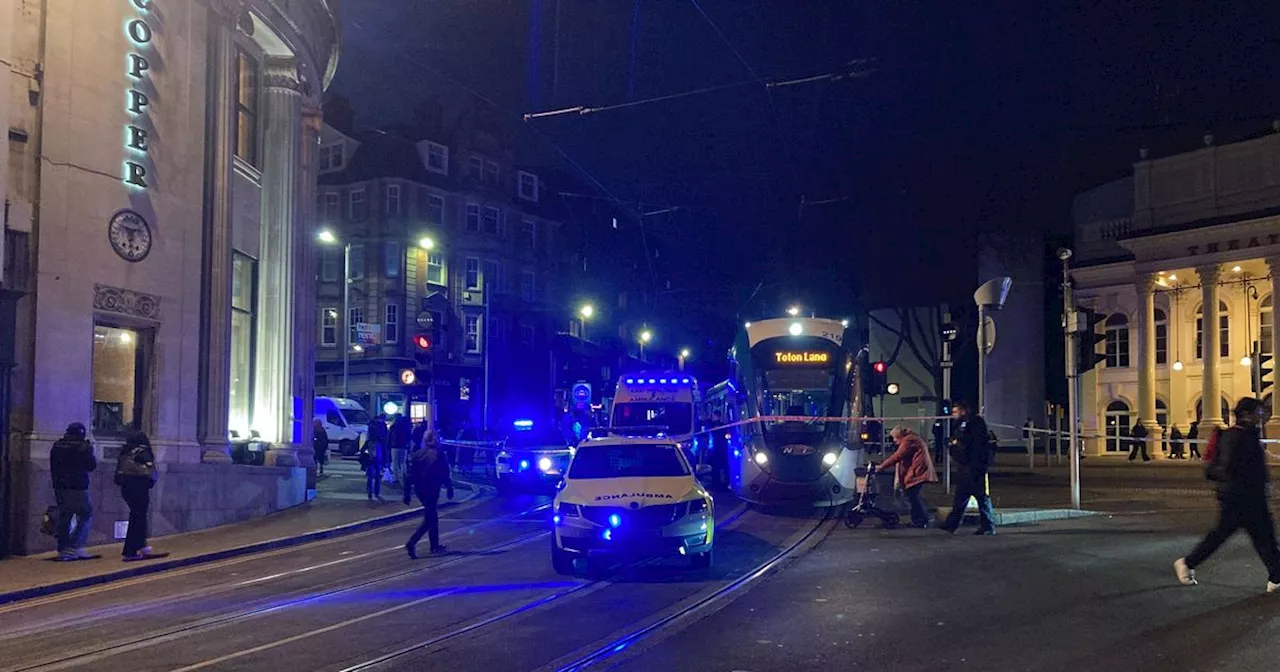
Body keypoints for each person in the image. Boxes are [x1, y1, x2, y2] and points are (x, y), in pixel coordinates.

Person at [1174, 398, 1280, 592]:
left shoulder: (1248, 434)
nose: (1263, 415)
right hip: (1239, 497)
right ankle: (1187, 563)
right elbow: (1229, 466)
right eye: (1259, 412)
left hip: (1247, 496)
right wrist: (1252, 483)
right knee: (1234, 535)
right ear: (1247, 414)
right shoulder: (1236, 436)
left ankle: (1276, 576)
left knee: (1263, 537)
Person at [939, 401, 996, 535]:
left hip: (974, 467)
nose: (953, 415)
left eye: (955, 412)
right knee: (961, 497)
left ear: (963, 411)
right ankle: (951, 524)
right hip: (966, 467)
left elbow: (972, 445)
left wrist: (956, 444)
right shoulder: (963, 424)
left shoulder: (974, 423)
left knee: (981, 497)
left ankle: (988, 526)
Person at [50, 422, 98, 561]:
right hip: (77, 486)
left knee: (65, 516)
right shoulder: (83, 447)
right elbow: (91, 466)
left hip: (60, 486)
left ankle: (63, 548)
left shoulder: (57, 446)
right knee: (86, 513)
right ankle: (73, 547)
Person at [115, 430, 165, 561]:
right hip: (139, 487)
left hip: (127, 488)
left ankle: (141, 546)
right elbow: (150, 472)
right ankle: (131, 550)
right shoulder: (143, 451)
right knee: (138, 518)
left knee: (137, 517)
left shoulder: (125, 451)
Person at [404, 430, 455, 558]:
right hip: (432, 488)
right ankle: (412, 542)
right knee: (429, 519)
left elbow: (410, 475)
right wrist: (449, 488)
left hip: (420, 489)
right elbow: (445, 472)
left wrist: (407, 493)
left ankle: (434, 545)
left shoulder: (417, 454)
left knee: (432, 516)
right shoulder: (439, 454)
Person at [877, 426, 938, 528]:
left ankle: (921, 520)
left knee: (913, 497)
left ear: (899, 436)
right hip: (918, 471)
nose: (894, 441)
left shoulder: (908, 440)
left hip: (918, 472)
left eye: (895, 438)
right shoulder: (912, 439)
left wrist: (881, 467)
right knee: (914, 496)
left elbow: (898, 456)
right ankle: (920, 520)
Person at [363, 414, 389, 501]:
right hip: (379, 450)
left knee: (370, 474)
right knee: (377, 473)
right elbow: (385, 439)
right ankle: (376, 492)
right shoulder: (382, 427)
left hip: (371, 449)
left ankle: (370, 491)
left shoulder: (371, 426)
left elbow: (367, 439)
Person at [389, 414, 412, 485]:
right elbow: (409, 436)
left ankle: (395, 478)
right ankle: (403, 476)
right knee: (403, 462)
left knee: (395, 462)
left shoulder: (394, 426)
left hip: (395, 446)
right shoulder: (406, 426)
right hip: (403, 446)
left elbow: (390, 435)